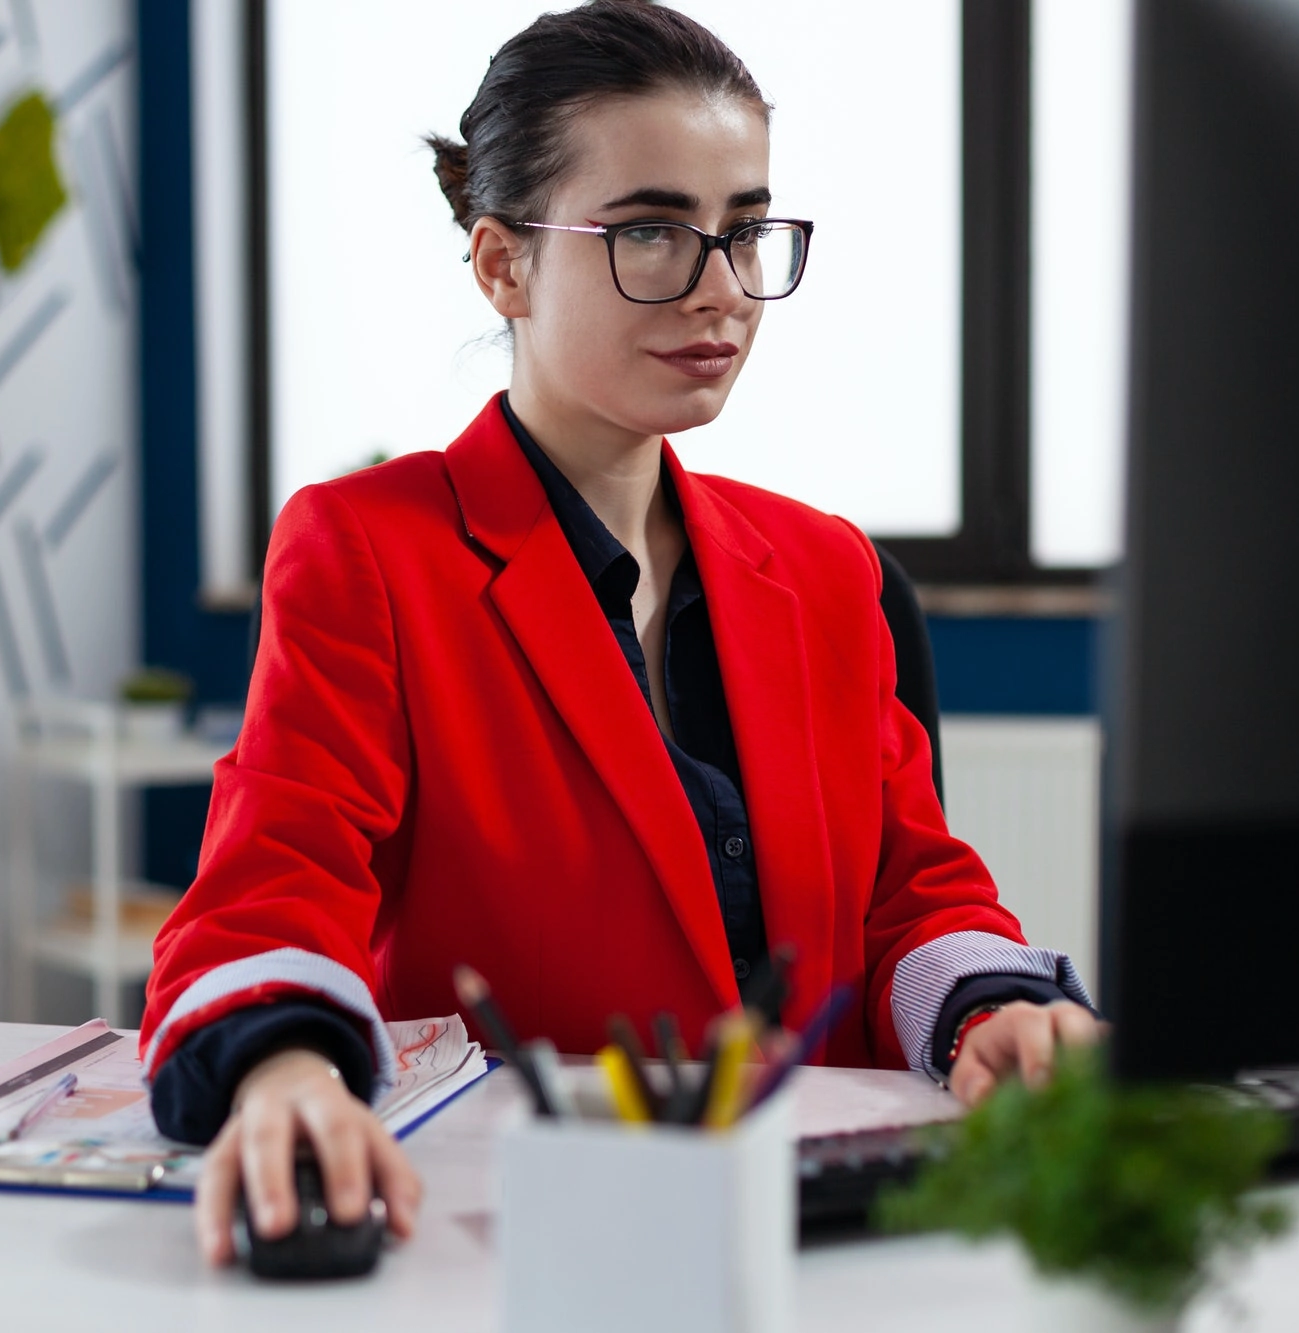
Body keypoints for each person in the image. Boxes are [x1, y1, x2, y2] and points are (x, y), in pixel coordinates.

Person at [140, 0, 1102, 1267]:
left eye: (743, 231)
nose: (718, 291)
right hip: (523, 1242)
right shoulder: (365, 548)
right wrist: (283, 1079)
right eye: (651, 231)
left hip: (842, 1235)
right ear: (499, 264)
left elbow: (908, 893)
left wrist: (989, 1012)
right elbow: (272, 892)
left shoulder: (820, 566)